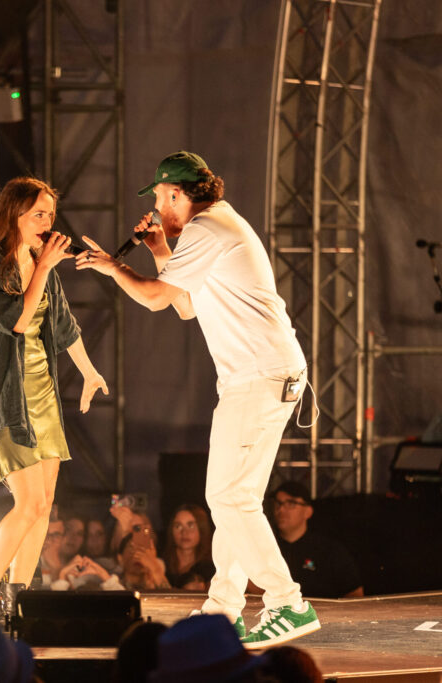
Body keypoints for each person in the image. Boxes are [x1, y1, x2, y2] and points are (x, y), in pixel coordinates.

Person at [77, 150, 319, 648]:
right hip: (262, 374)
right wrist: (160, 247)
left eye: (163, 197)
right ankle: (223, 609)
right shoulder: (209, 228)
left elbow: (155, 297)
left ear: (180, 194)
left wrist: (112, 266)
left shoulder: (208, 228)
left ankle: (287, 603)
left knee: (228, 498)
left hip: (258, 375)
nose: (159, 206)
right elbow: (187, 305)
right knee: (237, 499)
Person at [0, 176, 107, 625]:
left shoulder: (37, 259)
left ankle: (17, 598)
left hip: (41, 391)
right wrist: (43, 267)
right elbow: (17, 321)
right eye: (39, 214)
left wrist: (88, 372)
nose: (48, 222)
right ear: (15, 215)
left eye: (50, 213)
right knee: (26, 503)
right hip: (6, 395)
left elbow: (62, 325)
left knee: (44, 505)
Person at [272, 481, 364, 598]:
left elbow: (355, 595)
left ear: (308, 512)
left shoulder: (329, 551)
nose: (281, 510)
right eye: (278, 503)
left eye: (291, 503)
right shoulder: (265, 549)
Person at [162, 504, 215, 591]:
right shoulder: (163, 564)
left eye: (191, 525)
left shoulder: (211, 569)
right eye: (178, 526)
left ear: (201, 529)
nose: (184, 532)